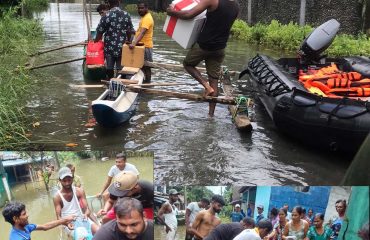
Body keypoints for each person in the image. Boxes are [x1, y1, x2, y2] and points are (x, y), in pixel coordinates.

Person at [166, 0, 239, 117]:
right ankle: (211, 115)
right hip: (220, 48)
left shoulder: (212, 1)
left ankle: (206, 86)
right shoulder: (236, 6)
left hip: (204, 45)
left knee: (188, 64)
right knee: (214, 79)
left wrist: (172, 12)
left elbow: (188, 14)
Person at [53, 167, 99, 236]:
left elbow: (87, 209)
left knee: (99, 232)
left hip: (82, 218)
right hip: (68, 223)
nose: (67, 183)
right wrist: (66, 223)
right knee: (83, 236)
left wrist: (86, 214)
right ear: (60, 180)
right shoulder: (57, 197)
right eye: (64, 181)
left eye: (69, 180)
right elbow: (58, 218)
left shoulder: (79, 191)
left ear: (72, 178)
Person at [95, 0, 134, 79]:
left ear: (109, 4)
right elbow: (130, 31)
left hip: (109, 47)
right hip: (122, 47)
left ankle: (110, 82)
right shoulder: (126, 14)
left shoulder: (106, 16)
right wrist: (129, 41)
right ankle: (120, 82)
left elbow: (99, 33)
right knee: (120, 67)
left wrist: (95, 41)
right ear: (119, 3)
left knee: (109, 68)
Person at [2, 201, 75, 240]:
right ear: (15, 219)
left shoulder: (25, 227)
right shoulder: (18, 238)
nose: (27, 215)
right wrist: (66, 219)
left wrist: (64, 222)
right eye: (24, 214)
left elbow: (45, 226)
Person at [129, 1, 154, 82]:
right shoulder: (144, 17)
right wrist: (133, 32)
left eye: (142, 8)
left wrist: (133, 43)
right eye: (139, 8)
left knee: (147, 67)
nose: (140, 10)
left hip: (146, 47)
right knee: (142, 67)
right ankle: (144, 82)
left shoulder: (147, 18)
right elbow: (140, 31)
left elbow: (142, 33)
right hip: (142, 46)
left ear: (147, 8)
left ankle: (147, 84)